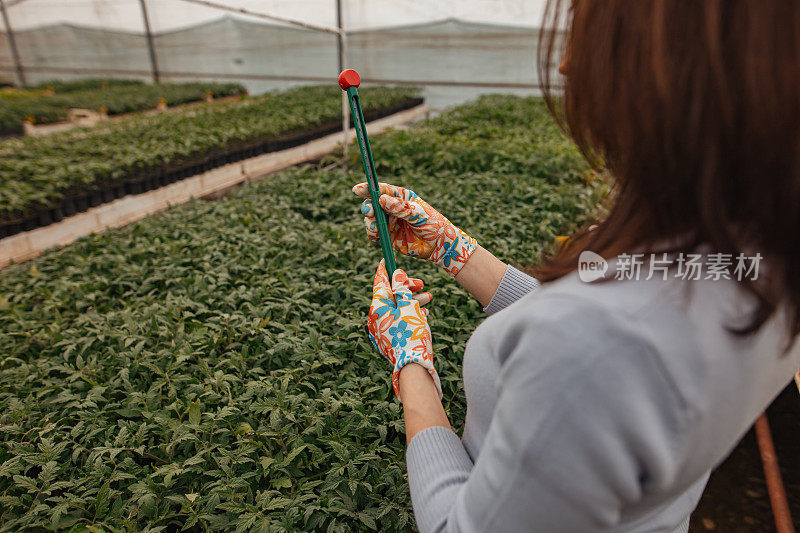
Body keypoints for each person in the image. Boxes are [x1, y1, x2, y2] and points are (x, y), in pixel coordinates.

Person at [352, 0, 800, 531]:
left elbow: (459, 525)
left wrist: (411, 364)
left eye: (588, 34)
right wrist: (454, 249)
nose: (565, 66)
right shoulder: (755, 260)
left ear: (670, 66)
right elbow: (601, 308)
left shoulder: (595, 349)